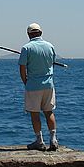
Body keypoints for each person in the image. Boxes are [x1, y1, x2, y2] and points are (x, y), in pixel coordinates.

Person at [18, 22, 58, 151]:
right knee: (49, 111)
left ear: (28, 34)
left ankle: (40, 141)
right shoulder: (50, 46)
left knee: (35, 114)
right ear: (40, 33)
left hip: (33, 86)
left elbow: (22, 68)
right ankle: (53, 140)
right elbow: (51, 62)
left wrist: (26, 82)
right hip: (49, 84)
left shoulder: (26, 48)